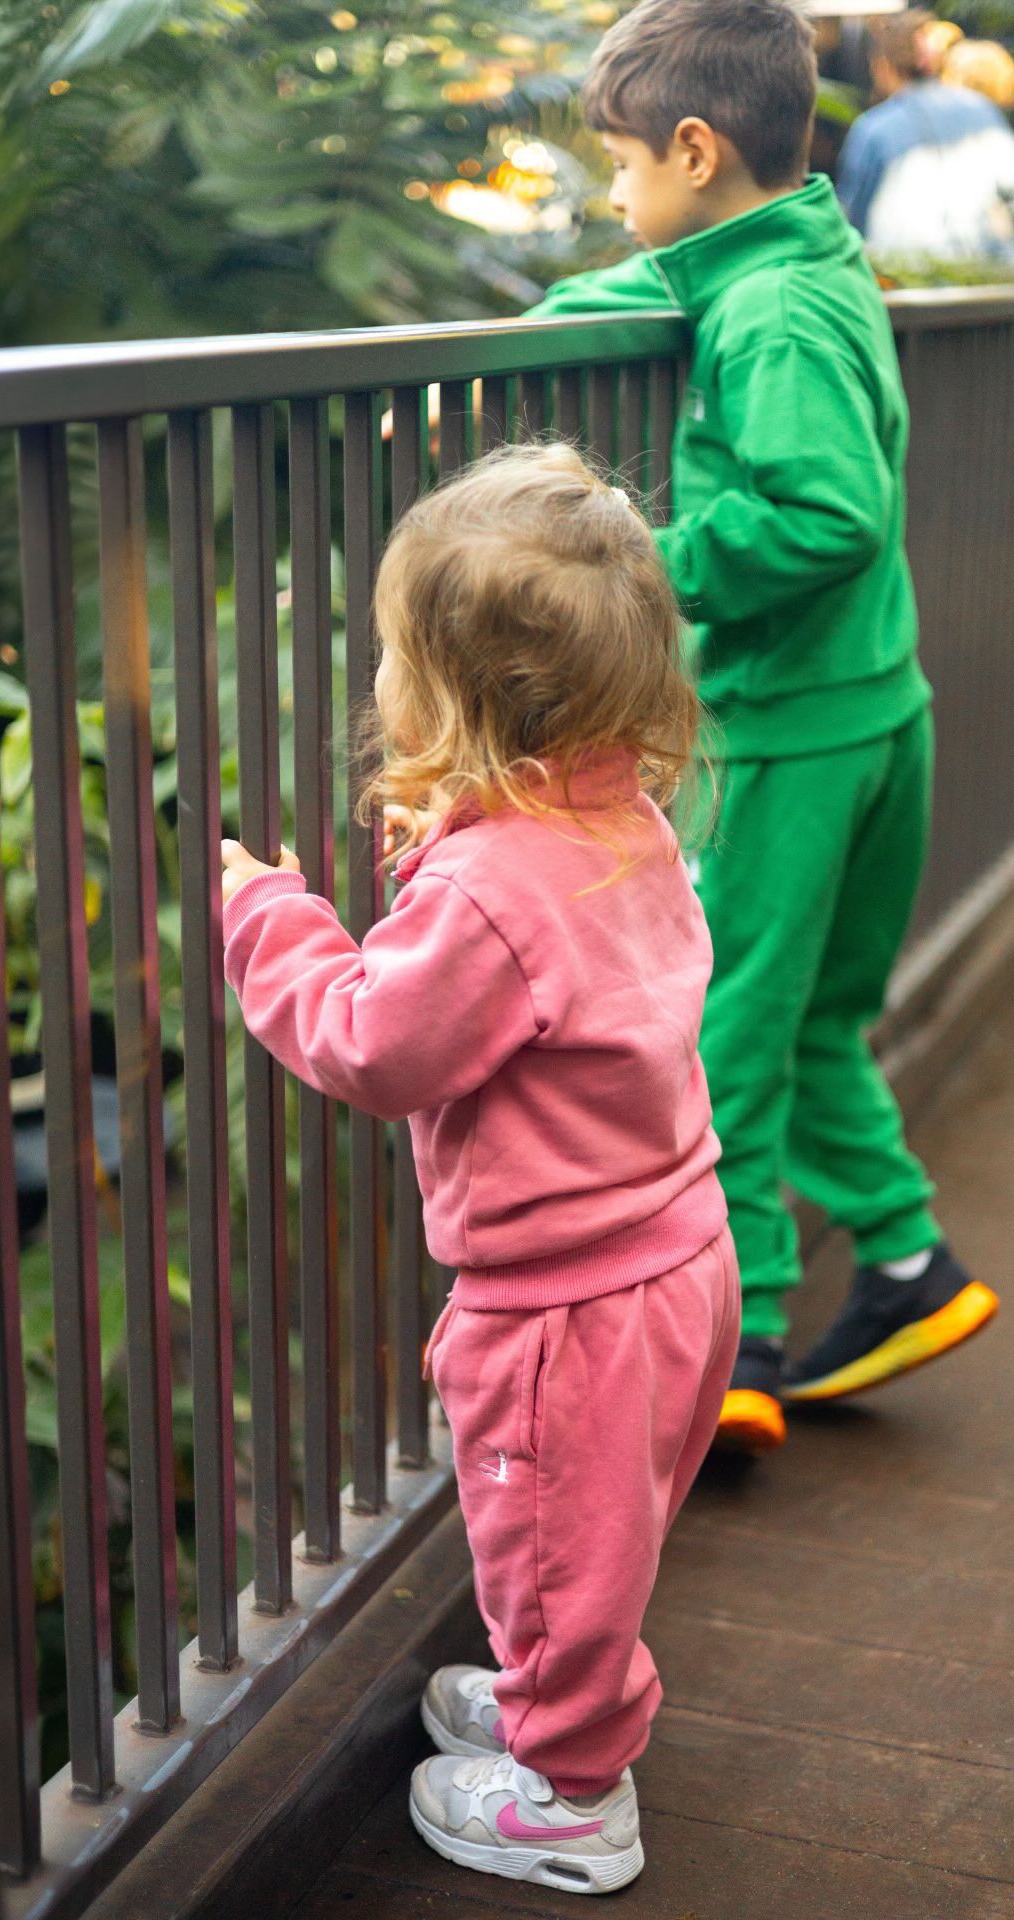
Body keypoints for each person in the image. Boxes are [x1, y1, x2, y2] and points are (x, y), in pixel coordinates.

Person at [222, 443, 740, 1897]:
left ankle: (573, 1793)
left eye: (389, 654)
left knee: (550, 1547)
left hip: (562, 1310)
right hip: (679, 1255)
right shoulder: (614, 821)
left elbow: (376, 1044)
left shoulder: (484, 887)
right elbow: (525, 975)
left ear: (452, 698)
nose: (376, 677)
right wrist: (447, 857)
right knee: (596, 1535)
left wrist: (268, 915)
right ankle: (556, 1705)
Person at [523, 0, 999, 1454]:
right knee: (824, 1021)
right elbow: (680, 286)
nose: (612, 196)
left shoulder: (772, 311)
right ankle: (909, 1262)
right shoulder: (796, 255)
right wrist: (543, 323)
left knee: (723, 1038)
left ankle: (741, 1347)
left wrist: (634, 565)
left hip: (793, 732)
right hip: (875, 710)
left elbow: (828, 514)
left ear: (693, 145)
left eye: (620, 166)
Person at [837, 9, 1014, 262]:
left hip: (904, 278)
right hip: (989, 275)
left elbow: (850, 218)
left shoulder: (872, 127)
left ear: (882, 65)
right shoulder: (983, 110)